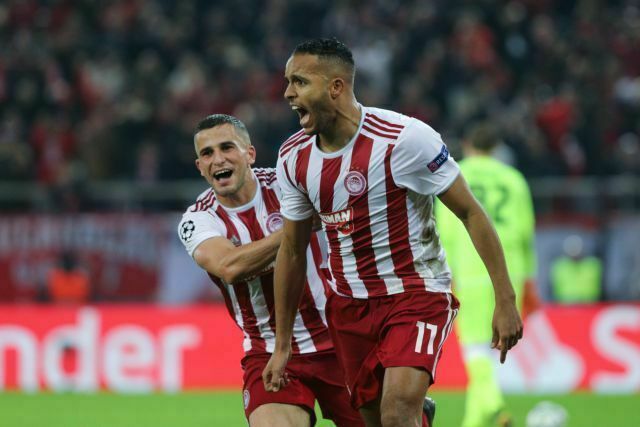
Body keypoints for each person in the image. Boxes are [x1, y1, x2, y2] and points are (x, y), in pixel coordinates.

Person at [262, 38, 523, 427]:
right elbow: (293, 250)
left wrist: (505, 298)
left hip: (415, 295)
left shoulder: (404, 139)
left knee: (397, 410)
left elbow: (470, 212)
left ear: (335, 87)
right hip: (349, 304)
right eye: (288, 82)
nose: (287, 93)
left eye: (299, 82)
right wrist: (282, 344)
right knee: (377, 421)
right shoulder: (293, 157)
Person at [178, 114, 364, 427]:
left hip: (339, 338)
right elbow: (230, 267)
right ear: (200, 166)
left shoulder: (287, 184)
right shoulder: (197, 219)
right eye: (207, 153)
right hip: (269, 351)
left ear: (249, 153)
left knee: (397, 418)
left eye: (227, 147)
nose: (218, 159)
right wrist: (296, 227)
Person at [435, 122, 538, 427]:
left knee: (475, 350)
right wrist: (529, 279)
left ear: (467, 145)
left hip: (469, 270)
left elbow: (446, 232)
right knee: (489, 352)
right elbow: (526, 233)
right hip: (509, 272)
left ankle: (495, 407)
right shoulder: (514, 179)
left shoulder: (454, 174)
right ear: (497, 148)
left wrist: (445, 274)